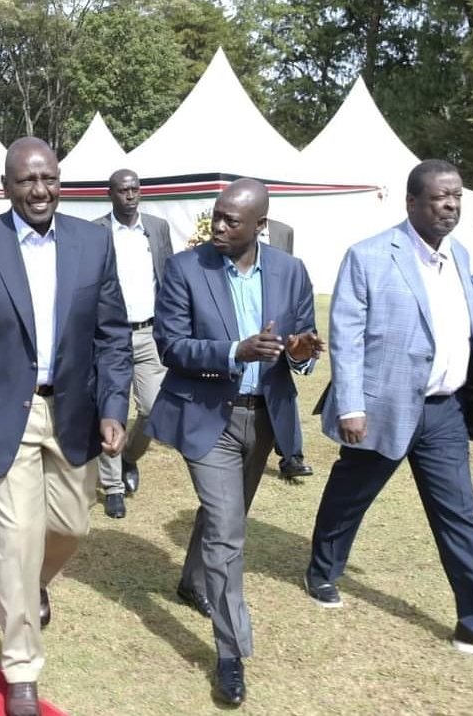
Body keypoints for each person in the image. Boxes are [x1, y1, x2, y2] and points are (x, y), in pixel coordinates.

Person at [305, 159, 473, 663]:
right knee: (350, 497)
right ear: (411, 202)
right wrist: (350, 405)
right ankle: (322, 571)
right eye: (440, 197)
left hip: (444, 414)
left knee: (460, 515)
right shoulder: (369, 256)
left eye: (456, 196)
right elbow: (345, 336)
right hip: (381, 408)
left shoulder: (460, 255)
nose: (451, 204)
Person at [0, 137, 131, 716]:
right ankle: (21, 665)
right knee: (17, 538)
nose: (38, 190)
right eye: (26, 181)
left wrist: (114, 406)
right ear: (6, 185)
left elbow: (112, 336)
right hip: (0, 414)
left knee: (70, 525)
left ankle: (31, 583)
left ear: (59, 180)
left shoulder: (93, 242)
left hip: (73, 411)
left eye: (48, 178)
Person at [147, 178, 323, 705]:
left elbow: (304, 348)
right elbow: (170, 345)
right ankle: (230, 653)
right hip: (208, 419)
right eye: (216, 216)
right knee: (228, 531)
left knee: (226, 515)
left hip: (265, 418)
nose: (218, 227)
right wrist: (234, 351)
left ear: (259, 227)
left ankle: (190, 580)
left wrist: (298, 351)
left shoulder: (291, 272)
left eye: (231, 220)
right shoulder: (185, 269)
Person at [92, 168, 172, 518]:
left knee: (155, 409)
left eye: (135, 189)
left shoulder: (157, 228)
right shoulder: (95, 231)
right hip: (111, 336)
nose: (130, 195)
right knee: (113, 411)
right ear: (110, 193)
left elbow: (168, 278)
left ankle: (128, 458)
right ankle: (112, 487)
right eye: (123, 190)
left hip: (149, 333)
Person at [262, 218, 313, 483]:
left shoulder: (283, 231)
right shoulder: (228, 226)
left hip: (277, 320)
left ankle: (292, 456)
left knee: (281, 389)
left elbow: (290, 275)